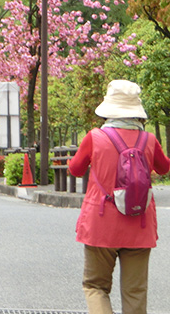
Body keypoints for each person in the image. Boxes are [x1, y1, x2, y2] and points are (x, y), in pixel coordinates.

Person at [69, 80, 170, 314]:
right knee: (135, 293)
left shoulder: (95, 137)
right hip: (139, 225)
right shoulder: (150, 140)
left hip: (101, 224)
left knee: (95, 286)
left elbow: (75, 169)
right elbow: (164, 168)